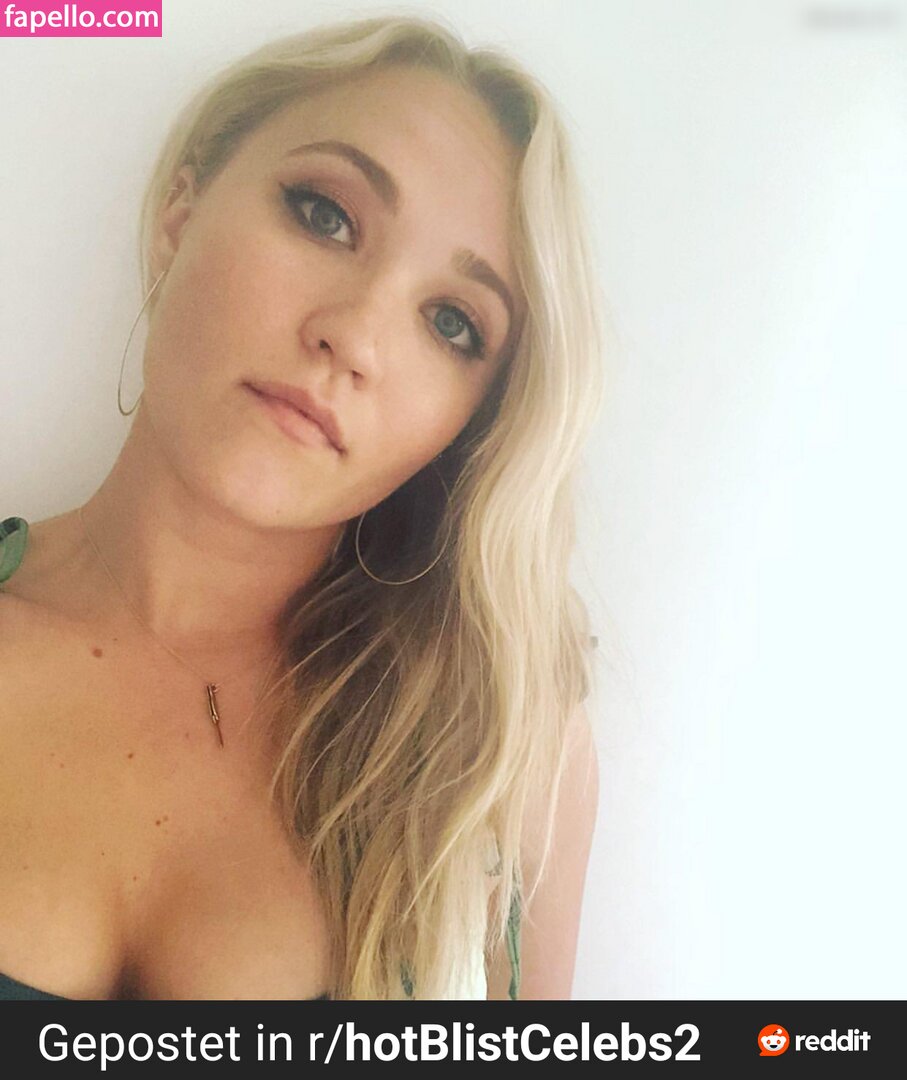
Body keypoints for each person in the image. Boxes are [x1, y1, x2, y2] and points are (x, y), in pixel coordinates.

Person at [0, 13, 604, 1001]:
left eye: (452, 323)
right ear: (180, 215)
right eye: (326, 216)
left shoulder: (493, 749)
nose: (354, 336)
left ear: (471, 421)